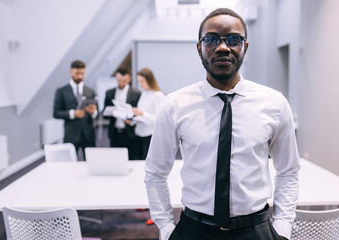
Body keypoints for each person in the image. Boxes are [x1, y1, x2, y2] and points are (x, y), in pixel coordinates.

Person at [144, 8, 300, 240]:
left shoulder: (275, 104)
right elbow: (155, 173)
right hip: (194, 229)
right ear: (200, 48)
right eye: (211, 39)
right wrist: (167, 229)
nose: (222, 47)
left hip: (255, 230)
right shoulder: (174, 105)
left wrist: (283, 228)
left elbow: (288, 171)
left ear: (245, 47)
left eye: (234, 39)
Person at [53, 60, 98, 160]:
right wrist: (73, 113)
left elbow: (97, 114)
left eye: (82, 73)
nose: (80, 76)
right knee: (69, 166)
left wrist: (93, 112)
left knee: (91, 163)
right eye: (77, 73)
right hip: (71, 135)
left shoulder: (90, 91)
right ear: (71, 72)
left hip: (88, 134)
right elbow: (56, 113)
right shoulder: (61, 91)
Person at [103, 66, 141, 160]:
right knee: (114, 159)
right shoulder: (109, 93)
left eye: (124, 80)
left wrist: (131, 117)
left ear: (129, 79)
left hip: (129, 132)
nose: (121, 83)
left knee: (131, 158)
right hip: (114, 132)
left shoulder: (136, 93)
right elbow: (104, 112)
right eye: (119, 80)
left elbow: (138, 114)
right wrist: (111, 112)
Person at [132, 68, 165, 160]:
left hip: (150, 136)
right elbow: (140, 115)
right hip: (139, 133)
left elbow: (159, 119)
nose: (140, 84)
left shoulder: (158, 95)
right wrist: (132, 119)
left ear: (149, 80)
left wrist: (142, 114)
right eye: (139, 81)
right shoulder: (144, 94)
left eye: (142, 81)